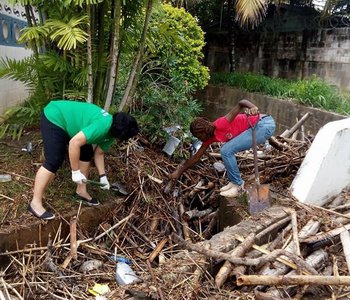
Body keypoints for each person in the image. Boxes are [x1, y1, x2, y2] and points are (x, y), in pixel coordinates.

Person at [28, 100, 139, 220]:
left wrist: (103, 176)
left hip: (73, 125)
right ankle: (35, 203)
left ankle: (81, 191)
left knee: (86, 153)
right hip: (55, 116)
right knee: (54, 160)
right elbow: (74, 143)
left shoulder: (113, 131)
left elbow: (99, 153)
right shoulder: (102, 126)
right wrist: (75, 172)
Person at [169, 99, 275, 197]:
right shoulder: (208, 139)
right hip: (257, 128)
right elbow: (196, 157)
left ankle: (238, 185)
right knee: (227, 150)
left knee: (226, 150)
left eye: (199, 136)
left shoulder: (221, 124)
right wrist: (179, 171)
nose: (199, 139)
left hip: (264, 125)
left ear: (204, 131)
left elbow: (241, 103)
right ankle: (234, 183)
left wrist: (252, 107)